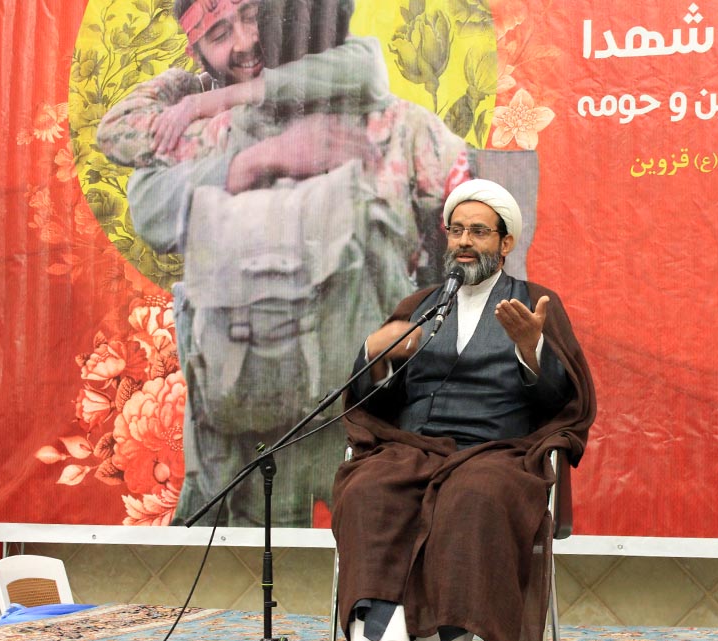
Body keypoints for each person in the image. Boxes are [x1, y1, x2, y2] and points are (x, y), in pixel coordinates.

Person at [96, 0, 472, 527]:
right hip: (247, 416)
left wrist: (423, 333)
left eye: (255, 17)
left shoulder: (395, 124)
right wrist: (248, 151)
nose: (247, 42)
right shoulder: (211, 131)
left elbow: (471, 238)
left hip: (365, 413)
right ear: (197, 50)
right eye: (219, 34)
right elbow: (144, 195)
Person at [332, 179, 596, 641]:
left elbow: (563, 402)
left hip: (495, 453)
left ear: (505, 243)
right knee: (367, 488)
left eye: (478, 231)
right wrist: (376, 357)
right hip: (412, 449)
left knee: (472, 495)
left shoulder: (534, 303)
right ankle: (381, 639)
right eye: (456, 231)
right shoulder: (419, 306)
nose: (464, 242)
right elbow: (375, 402)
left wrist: (531, 349)